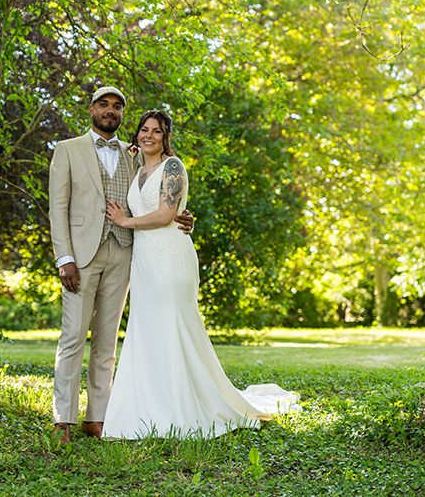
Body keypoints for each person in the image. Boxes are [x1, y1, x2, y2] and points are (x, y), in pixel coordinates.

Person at [101, 110, 301, 439]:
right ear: (136, 134)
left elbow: (166, 214)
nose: (148, 135)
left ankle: (184, 408)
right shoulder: (136, 167)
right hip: (144, 263)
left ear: (167, 137)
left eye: (157, 131)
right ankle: (150, 408)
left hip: (170, 258)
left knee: (174, 328)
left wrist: (126, 221)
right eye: (143, 130)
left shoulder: (173, 167)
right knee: (148, 331)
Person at [48, 88, 194, 444]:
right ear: (92, 109)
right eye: (104, 105)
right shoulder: (67, 150)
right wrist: (64, 258)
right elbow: (58, 208)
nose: (110, 111)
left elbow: (161, 199)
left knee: (107, 342)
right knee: (72, 338)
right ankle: (62, 420)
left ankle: (96, 417)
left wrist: (184, 217)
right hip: (81, 258)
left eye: (117, 107)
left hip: (125, 255)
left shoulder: (135, 155)